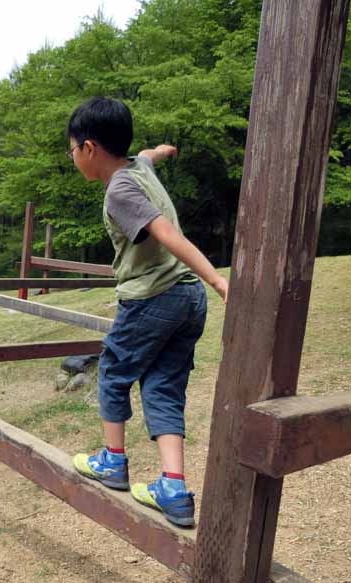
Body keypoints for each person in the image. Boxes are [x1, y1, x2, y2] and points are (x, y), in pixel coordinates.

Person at [66, 97, 228, 527]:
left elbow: (165, 232)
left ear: (89, 148)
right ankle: (173, 489)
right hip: (188, 301)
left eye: (72, 149)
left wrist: (218, 279)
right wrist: (164, 150)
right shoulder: (139, 166)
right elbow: (149, 154)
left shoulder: (120, 189)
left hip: (156, 297)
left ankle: (112, 461)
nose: (72, 158)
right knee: (163, 385)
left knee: (115, 372)